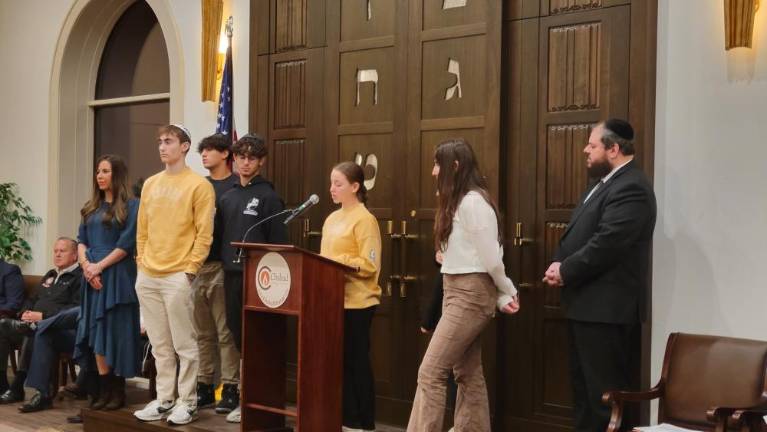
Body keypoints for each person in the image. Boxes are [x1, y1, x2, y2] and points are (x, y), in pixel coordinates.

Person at [542, 119, 656, 432]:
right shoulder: (601, 184)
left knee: (604, 401)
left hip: (607, 312)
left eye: (592, 145)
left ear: (614, 149)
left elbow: (607, 243)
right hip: (586, 307)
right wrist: (558, 262)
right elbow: (579, 234)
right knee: (585, 397)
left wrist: (565, 270)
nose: (585, 150)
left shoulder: (632, 187)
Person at [407, 138, 520, 432]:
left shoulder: (473, 202)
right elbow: (471, 255)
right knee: (467, 372)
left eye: (437, 164)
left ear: (455, 167)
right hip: (457, 290)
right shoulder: (459, 202)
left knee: (430, 372)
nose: (433, 171)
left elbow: (492, 258)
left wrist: (505, 291)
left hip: (469, 295)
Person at [132, 124, 215, 426]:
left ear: (185, 147)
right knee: (159, 344)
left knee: (185, 344)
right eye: (159, 142)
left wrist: (191, 269)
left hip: (178, 274)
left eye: (168, 141)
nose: (162, 147)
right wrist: (142, 262)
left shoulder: (198, 185)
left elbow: (204, 233)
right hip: (149, 274)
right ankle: (165, 398)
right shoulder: (152, 184)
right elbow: (142, 228)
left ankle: (187, 402)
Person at [217, 133, 288, 423]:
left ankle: (254, 400)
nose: (245, 163)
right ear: (234, 159)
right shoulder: (228, 196)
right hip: (230, 276)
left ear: (261, 162)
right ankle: (243, 397)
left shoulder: (269, 196)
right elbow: (220, 237)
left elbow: (279, 244)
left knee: (256, 339)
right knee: (237, 336)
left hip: (260, 279)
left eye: (252, 158)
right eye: (241, 157)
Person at [74, 154, 141, 411]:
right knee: (96, 331)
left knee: (117, 332)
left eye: (105, 171)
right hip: (92, 276)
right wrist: (86, 267)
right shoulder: (91, 208)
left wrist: (98, 267)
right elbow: (81, 240)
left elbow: (126, 245)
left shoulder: (132, 206)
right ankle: (103, 388)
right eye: (98, 171)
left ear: (118, 175)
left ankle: (118, 390)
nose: (100, 176)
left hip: (117, 276)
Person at [320, 161, 382, 432]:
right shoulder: (332, 218)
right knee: (338, 362)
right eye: (331, 183)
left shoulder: (365, 219)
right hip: (333, 301)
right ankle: (345, 419)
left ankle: (363, 422)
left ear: (355, 187)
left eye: (338, 184)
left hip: (358, 303)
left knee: (356, 362)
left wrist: (338, 260)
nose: (331, 189)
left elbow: (369, 265)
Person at [0, 237, 82, 404]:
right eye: (55, 251)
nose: (57, 254)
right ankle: (2, 385)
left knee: (35, 329)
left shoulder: (79, 278)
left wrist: (43, 316)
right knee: (2, 327)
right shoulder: (50, 275)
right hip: (34, 324)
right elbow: (32, 299)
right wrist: (25, 312)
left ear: (75, 255)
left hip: (60, 330)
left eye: (62, 251)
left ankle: (18, 386)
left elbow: (75, 309)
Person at [193, 134, 240, 413]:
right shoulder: (199, 186)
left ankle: (231, 388)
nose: (205, 154)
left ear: (225, 154)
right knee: (202, 333)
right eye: (203, 150)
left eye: (210, 149)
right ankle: (204, 386)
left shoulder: (235, 186)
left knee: (226, 332)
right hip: (197, 265)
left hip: (223, 266)